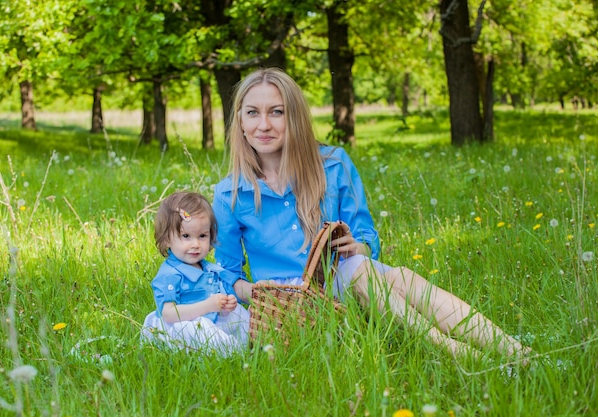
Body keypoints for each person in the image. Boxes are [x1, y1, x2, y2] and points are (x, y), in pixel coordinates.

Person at [212, 67, 530, 359]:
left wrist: (357, 247)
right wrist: (259, 293)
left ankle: (516, 352)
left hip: (350, 280)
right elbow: (228, 274)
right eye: (252, 112)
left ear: (294, 117)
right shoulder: (229, 194)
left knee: (391, 275)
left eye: (276, 112)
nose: (263, 124)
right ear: (239, 119)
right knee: (378, 275)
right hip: (293, 305)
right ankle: (467, 356)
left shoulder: (333, 165)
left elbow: (365, 235)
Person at [141, 191, 249, 356]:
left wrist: (225, 306)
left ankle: (251, 345)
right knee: (201, 330)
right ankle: (233, 354)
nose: (196, 244)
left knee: (239, 313)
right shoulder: (170, 274)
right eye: (186, 236)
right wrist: (209, 305)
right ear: (167, 240)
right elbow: (169, 314)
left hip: (207, 318)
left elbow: (215, 302)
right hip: (179, 325)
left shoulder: (208, 269)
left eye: (202, 236)